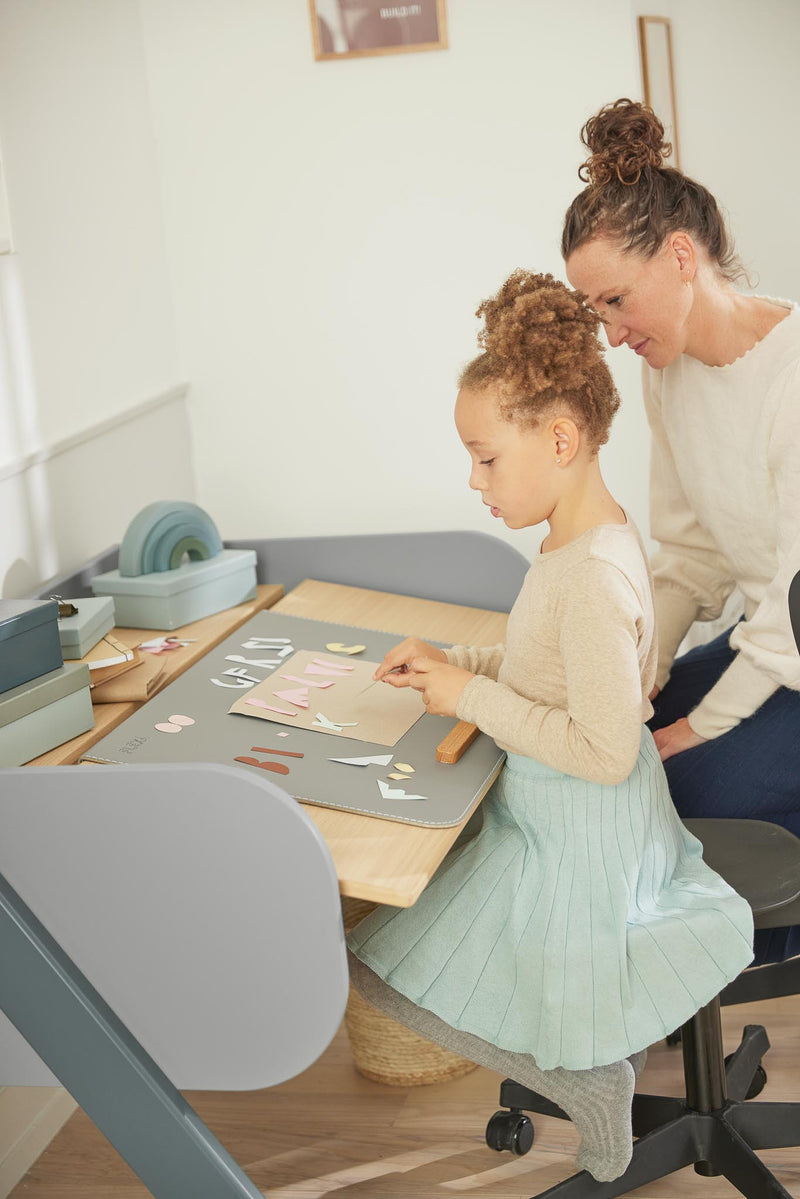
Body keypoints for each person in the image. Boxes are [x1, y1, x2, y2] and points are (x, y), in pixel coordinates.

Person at [347, 269, 753, 1182]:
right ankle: (584, 1065)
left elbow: (606, 750)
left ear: (560, 439)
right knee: (397, 949)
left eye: (486, 456)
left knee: (375, 964)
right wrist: (461, 665)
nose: (474, 477)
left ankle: (589, 1083)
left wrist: (470, 699)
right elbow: (550, 672)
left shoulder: (591, 576)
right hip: (560, 818)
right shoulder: (579, 540)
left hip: (579, 843)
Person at [562, 98, 800, 962]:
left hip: (793, 645)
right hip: (772, 646)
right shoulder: (670, 376)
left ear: (681, 255)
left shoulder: (791, 381)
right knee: (611, 741)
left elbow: (788, 603)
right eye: (596, 310)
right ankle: (683, 960)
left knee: (674, 776)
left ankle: (740, 952)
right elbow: (693, 559)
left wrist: (690, 732)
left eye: (618, 300)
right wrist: (642, 668)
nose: (613, 332)